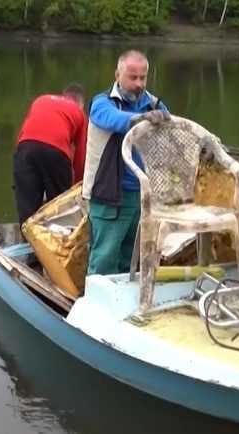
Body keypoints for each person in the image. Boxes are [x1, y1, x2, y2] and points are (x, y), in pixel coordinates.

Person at [82, 50, 170, 276]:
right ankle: (96, 306)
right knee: (103, 259)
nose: (138, 84)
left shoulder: (155, 105)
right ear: (117, 75)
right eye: (132, 77)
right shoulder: (101, 103)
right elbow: (114, 120)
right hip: (109, 195)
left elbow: (173, 134)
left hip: (142, 197)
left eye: (143, 78)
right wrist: (140, 119)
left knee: (130, 260)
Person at [13, 83, 88, 226]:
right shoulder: (79, 113)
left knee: (27, 205)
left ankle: (27, 243)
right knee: (60, 205)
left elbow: (25, 131)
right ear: (81, 104)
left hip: (25, 148)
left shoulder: (41, 100)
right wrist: (77, 188)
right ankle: (58, 240)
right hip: (56, 152)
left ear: (63, 96)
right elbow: (80, 156)